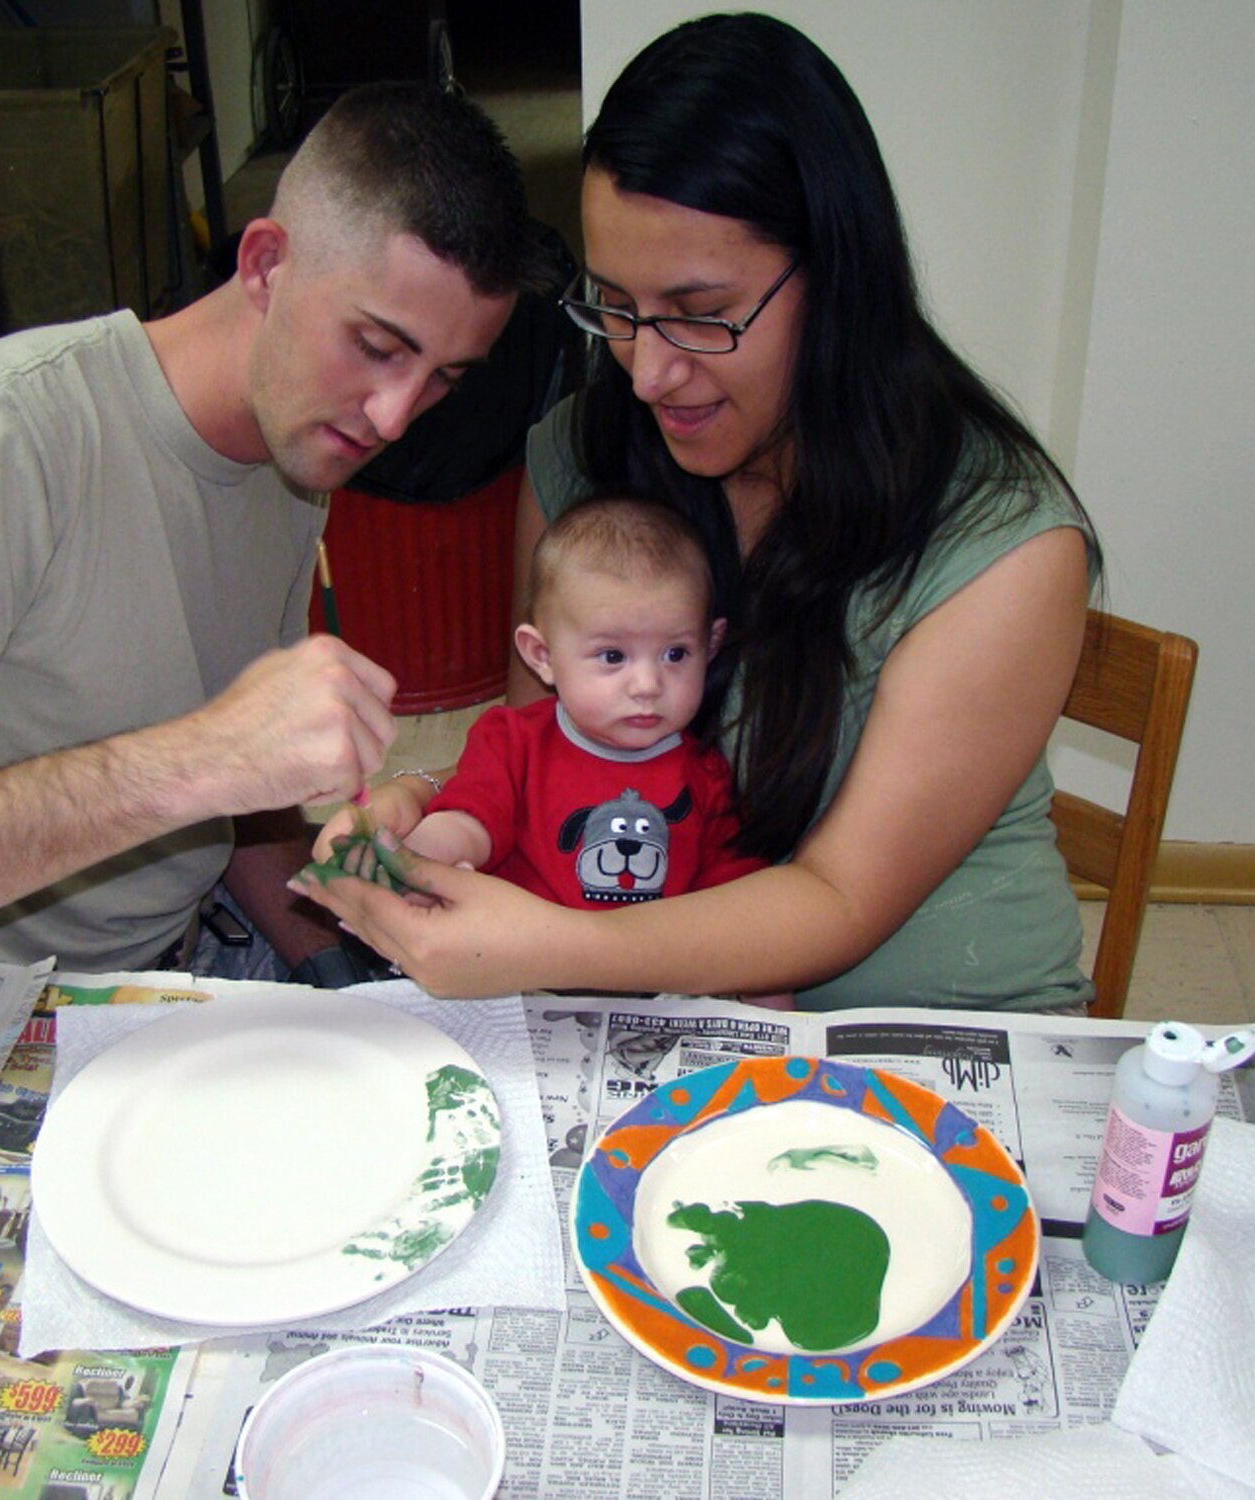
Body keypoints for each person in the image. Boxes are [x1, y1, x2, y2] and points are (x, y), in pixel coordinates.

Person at [297, 15, 1100, 1012]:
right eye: (615, 307)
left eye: (699, 311)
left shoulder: (1002, 544)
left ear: (836, 276)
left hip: (935, 1024)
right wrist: (421, 809)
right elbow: (543, 744)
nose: (647, 369)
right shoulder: (584, 451)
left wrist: (555, 945)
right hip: (659, 1007)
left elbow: (839, 900)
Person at [0, 82, 549, 983]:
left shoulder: (297, 451)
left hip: (191, 955)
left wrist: (338, 966)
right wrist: (201, 760)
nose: (396, 416)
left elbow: (238, 816)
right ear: (267, 264)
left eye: (443, 377)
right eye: (377, 346)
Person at [393, 495, 765, 911]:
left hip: (649, 971)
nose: (647, 685)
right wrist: (416, 861)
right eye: (613, 656)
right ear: (542, 656)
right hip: (518, 964)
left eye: (675, 654)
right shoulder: (513, 743)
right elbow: (470, 821)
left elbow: (730, 900)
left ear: (710, 646)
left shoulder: (707, 777)